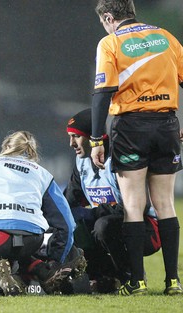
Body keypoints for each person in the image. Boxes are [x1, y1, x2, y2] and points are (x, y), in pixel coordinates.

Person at [90, 0, 183, 295]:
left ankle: (137, 282)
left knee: (133, 205)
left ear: (108, 17)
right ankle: (173, 281)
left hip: (130, 127)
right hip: (167, 124)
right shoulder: (165, 37)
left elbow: (103, 93)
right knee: (166, 204)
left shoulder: (111, 42)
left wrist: (95, 139)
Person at [0, 131, 86, 296]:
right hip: (30, 238)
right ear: (32, 152)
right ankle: (43, 270)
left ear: (6, 147)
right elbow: (66, 225)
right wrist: (55, 260)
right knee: (14, 252)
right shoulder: (43, 174)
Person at [64, 108, 161, 293]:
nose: (71, 143)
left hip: (145, 229)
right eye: (70, 137)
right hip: (108, 225)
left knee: (103, 225)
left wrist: (92, 213)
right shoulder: (81, 162)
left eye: (76, 137)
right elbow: (68, 201)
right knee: (73, 224)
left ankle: (132, 277)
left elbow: (139, 206)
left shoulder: (120, 159)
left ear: (93, 138)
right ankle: (103, 276)